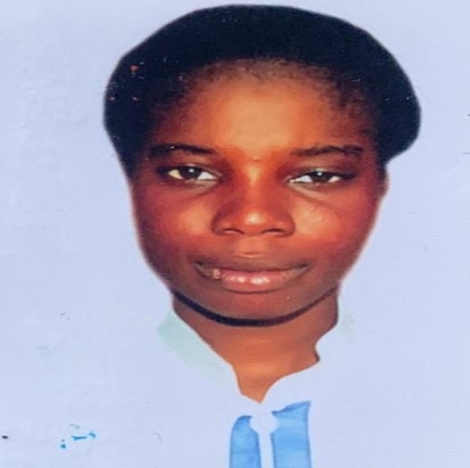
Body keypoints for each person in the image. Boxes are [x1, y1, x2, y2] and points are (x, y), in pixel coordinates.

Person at [101, 4, 420, 468]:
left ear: (378, 188)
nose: (252, 217)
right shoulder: (39, 405)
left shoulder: (443, 404)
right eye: (191, 172)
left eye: (317, 176)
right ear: (132, 182)